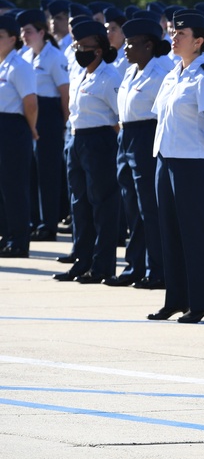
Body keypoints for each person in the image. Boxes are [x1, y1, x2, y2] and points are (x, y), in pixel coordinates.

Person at [147, 10, 204, 324]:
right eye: (173, 33)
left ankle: (202, 301)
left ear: (199, 42)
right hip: (165, 160)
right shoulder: (172, 74)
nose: (174, 38)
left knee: (195, 233)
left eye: (181, 34)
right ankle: (175, 299)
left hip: (192, 163)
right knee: (169, 232)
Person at [53, 19, 123, 283]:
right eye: (76, 45)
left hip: (101, 141)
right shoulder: (79, 73)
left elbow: (120, 118)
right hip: (77, 139)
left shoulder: (110, 76)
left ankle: (102, 265)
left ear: (98, 50)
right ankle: (81, 261)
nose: (78, 50)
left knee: (102, 204)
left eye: (84, 46)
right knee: (79, 203)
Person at [112, 17, 171, 289]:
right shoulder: (131, 70)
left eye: (131, 43)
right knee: (131, 207)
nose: (125, 48)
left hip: (148, 135)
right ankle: (135, 265)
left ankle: (157, 269)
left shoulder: (160, 72)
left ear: (149, 45)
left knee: (150, 207)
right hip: (127, 136)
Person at [17, 9, 68, 243]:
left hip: (49, 114)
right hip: (30, 114)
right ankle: (35, 221)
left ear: (41, 32)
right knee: (31, 172)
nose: (24, 36)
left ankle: (49, 224)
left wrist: (65, 122)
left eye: (28, 31)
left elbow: (64, 93)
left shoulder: (54, 57)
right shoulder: (25, 56)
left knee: (48, 172)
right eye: (21, 31)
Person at [0, 14, 38, 258]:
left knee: (15, 187)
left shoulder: (20, 66)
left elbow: (30, 103)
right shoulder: (1, 64)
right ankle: (6, 235)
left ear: (13, 39)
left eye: (1, 36)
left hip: (14, 127)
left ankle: (19, 241)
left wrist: (31, 128)